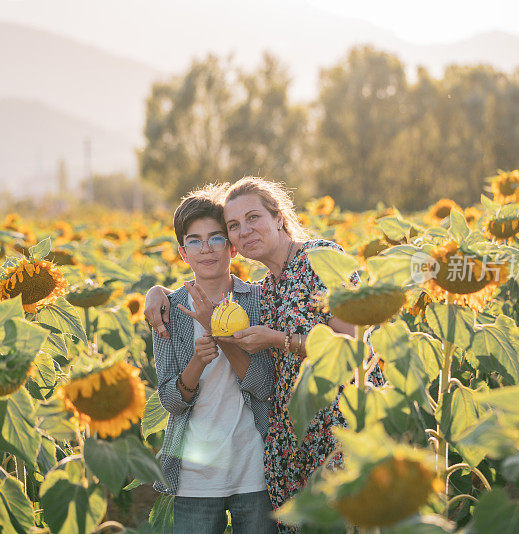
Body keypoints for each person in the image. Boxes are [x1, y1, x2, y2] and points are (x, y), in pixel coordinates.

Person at [146, 177, 384, 532]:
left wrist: (271, 339)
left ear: (278, 217)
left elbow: (355, 343)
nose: (244, 231)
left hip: (339, 425)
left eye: (253, 218)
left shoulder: (307, 267)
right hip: (293, 439)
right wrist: (157, 291)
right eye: (235, 225)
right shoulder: (265, 289)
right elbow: (171, 395)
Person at [151, 184, 277, 534]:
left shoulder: (257, 300)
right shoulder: (168, 310)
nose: (206, 249)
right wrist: (197, 362)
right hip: (194, 475)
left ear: (232, 247)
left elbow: (265, 386)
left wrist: (220, 337)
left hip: (253, 468)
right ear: (182, 252)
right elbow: (170, 400)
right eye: (194, 240)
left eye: (216, 238)